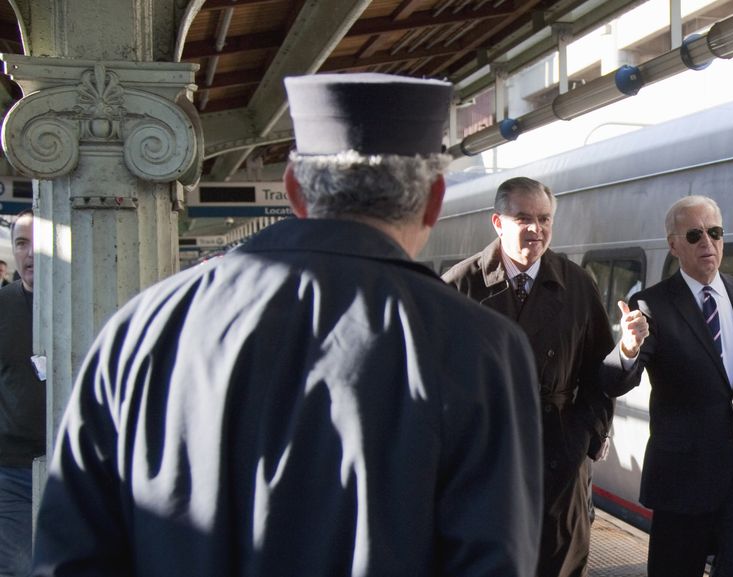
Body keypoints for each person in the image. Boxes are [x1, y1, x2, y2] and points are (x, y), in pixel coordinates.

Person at [32, 73, 544, 577]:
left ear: (296, 189)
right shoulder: (481, 348)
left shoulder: (140, 330)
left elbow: (71, 556)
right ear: (433, 199)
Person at [603, 194, 733, 577]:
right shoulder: (651, 305)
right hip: (683, 478)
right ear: (674, 245)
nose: (707, 243)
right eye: (694, 235)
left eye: (715, 232)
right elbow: (613, 382)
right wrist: (627, 347)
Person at [442, 177, 615, 577]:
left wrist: (587, 434)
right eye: (524, 218)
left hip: (560, 453)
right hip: (485, 459)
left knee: (558, 563)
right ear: (498, 223)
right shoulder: (459, 285)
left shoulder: (577, 284)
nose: (536, 229)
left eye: (544, 218)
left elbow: (599, 371)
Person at [0, 209, 45, 577]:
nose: (29, 253)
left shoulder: (92, 301)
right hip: (12, 470)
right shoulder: (2, 307)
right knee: (20, 569)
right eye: (21, 244)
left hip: (82, 467)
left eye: (39, 243)